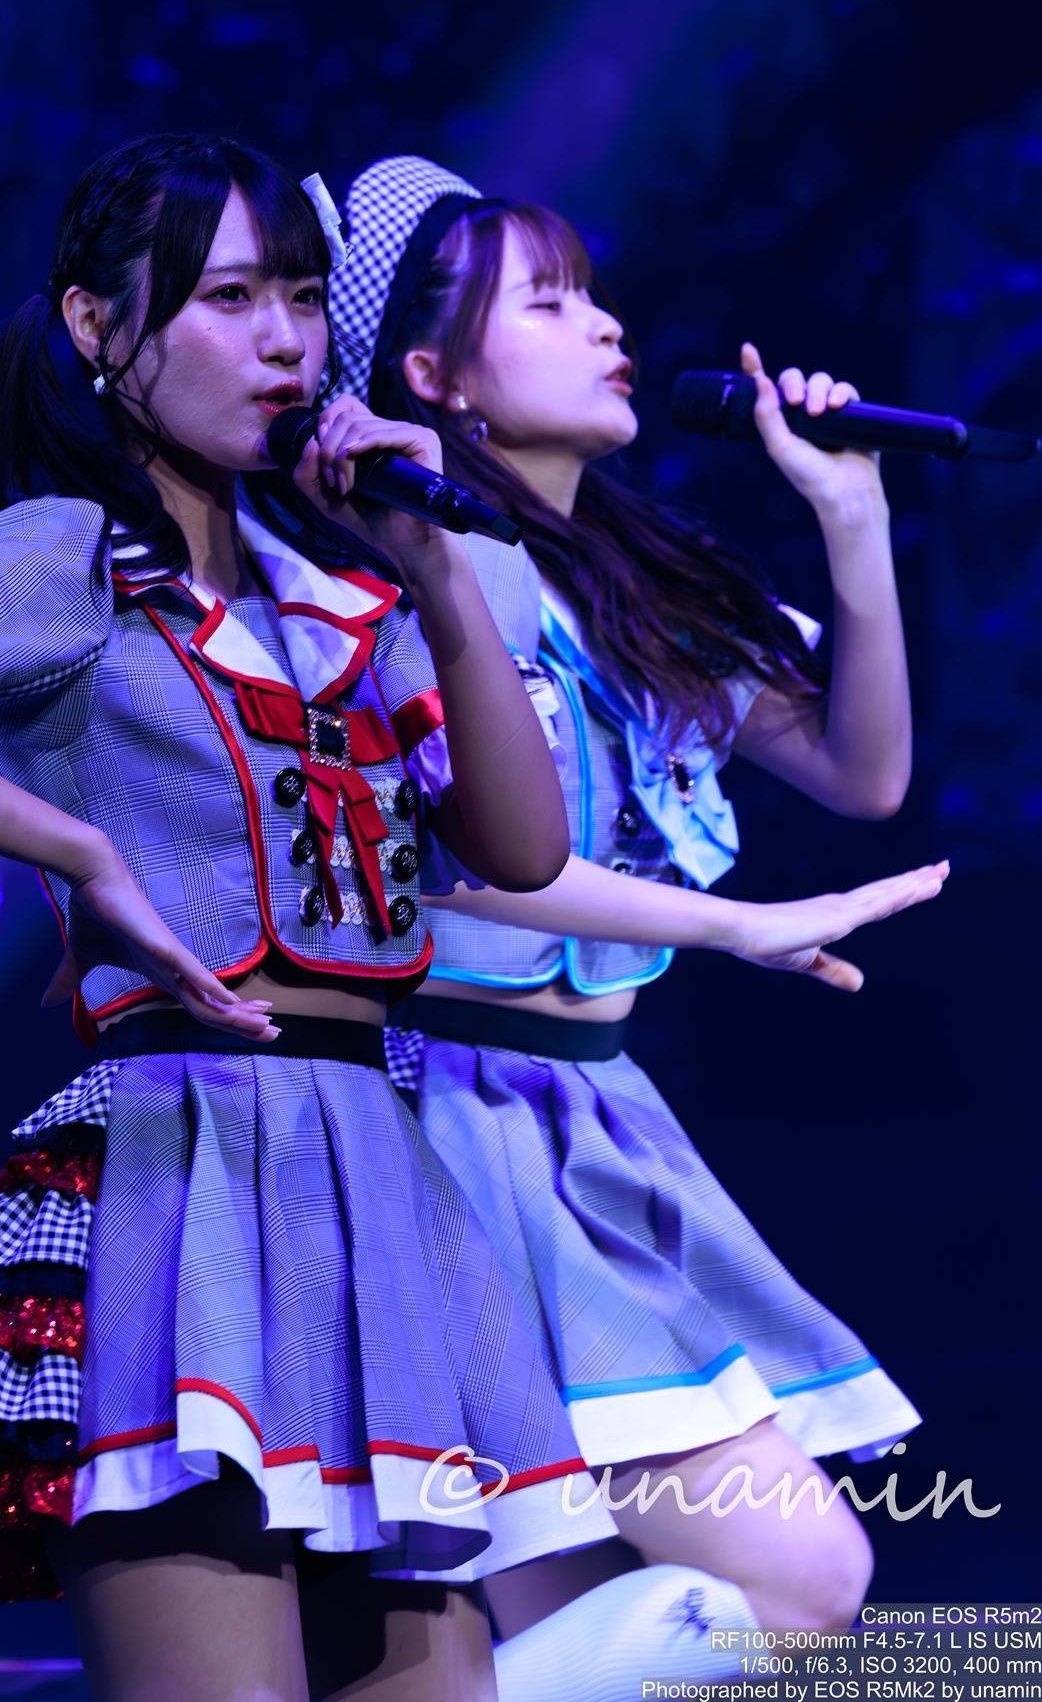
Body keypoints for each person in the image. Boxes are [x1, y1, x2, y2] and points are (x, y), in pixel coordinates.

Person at [0, 134, 622, 1702]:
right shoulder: (69, 554)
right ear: (97, 328)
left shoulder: (344, 598)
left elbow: (520, 841)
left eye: (300, 297)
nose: (284, 342)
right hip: (186, 1171)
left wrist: (434, 576)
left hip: (376, 1176)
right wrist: (76, 851)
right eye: (226, 300)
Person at [328, 156, 944, 1681]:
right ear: (429, 377)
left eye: (592, 297)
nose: (605, 328)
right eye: (546, 304)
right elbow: (461, 856)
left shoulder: (631, 579)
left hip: (588, 1119)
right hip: (442, 1124)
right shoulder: (414, 571)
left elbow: (861, 772)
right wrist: (734, 926)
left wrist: (849, 516)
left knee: (596, 1616)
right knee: (802, 1578)